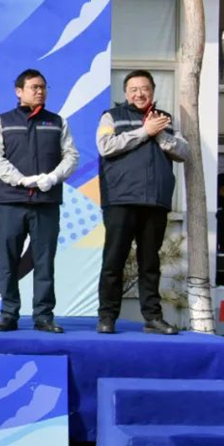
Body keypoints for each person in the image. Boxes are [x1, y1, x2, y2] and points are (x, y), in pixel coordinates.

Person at [96, 70, 191, 335]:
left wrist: (159, 134)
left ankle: (153, 318)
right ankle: (107, 317)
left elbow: (184, 151)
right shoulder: (111, 116)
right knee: (113, 261)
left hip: (155, 202)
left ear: (152, 91)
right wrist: (144, 131)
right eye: (134, 89)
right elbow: (106, 146)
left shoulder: (165, 120)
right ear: (126, 93)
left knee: (150, 264)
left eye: (145, 88)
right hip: (120, 199)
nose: (140, 93)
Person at [0, 69, 78, 333]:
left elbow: (71, 156)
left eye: (43, 87)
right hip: (11, 202)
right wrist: (20, 180)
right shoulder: (2, 122)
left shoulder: (57, 122)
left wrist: (53, 177)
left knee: (44, 261)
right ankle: (7, 314)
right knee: (8, 261)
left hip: (46, 202)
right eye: (34, 87)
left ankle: (44, 316)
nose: (39, 91)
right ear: (19, 91)